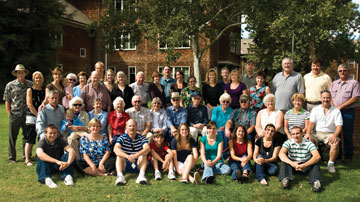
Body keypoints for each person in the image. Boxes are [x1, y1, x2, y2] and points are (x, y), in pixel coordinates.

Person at [305, 90, 343, 173]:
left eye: (328, 98)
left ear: (330, 98)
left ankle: (331, 164)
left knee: (335, 143)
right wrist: (308, 133)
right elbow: (311, 123)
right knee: (307, 140)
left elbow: (339, 126)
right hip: (317, 133)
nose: (326, 99)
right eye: (324, 98)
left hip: (330, 134)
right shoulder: (315, 109)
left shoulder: (336, 111)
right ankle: (310, 162)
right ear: (321, 98)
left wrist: (335, 135)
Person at [330, 63, 360, 163]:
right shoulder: (334, 83)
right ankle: (337, 155)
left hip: (347, 112)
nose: (342, 72)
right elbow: (330, 97)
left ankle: (348, 156)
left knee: (347, 134)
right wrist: (334, 108)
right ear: (338, 72)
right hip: (335, 112)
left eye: (344, 70)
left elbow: (355, 98)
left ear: (348, 72)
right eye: (340, 71)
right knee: (336, 134)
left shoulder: (354, 83)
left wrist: (340, 107)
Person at [4, 64, 33, 164]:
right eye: (19, 72)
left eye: (22, 72)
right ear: (16, 73)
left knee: (26, 136)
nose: (21, 74)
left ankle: (26, 155)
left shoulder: (30, 84)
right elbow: (7, 100)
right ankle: (11, 158)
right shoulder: (10, 85)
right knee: (12, 137)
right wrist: (9, 114)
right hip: (14, 114)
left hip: (27, 115)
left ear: (25, 73)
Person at [278, 126, 322, 192]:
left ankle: (316, 182)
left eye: (297, 133)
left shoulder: (308, 143)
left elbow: (317, 156)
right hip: (293, 164)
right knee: (284, 160)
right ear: (291, 135)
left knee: (315, 162)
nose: (295, 136)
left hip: (305, 165)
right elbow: (281, 154)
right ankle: (285, 179)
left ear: (302, 134)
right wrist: (292, 163)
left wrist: (303, 165)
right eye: (293, 134)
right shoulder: (288, 142)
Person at [114, 119, 150, 185]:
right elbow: (116, 149)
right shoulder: (122, 137)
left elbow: (147, 148)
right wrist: (127, 156)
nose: (132, 128)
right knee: (119, 155)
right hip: (125, 163)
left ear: (136, 127)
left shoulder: (142, 138)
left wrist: (136, 155)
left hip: (138, 163)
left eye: (133, 126)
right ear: (126, 128)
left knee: (144, 154)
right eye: (130, 126)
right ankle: (120, 176)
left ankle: (141, 176)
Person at [25, 71, 45, 166]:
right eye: (36, 78)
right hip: (32, 116)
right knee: (30, 138)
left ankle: (39, 156)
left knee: (40, 137)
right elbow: (29, 104)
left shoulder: (43, 90)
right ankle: (27, 159)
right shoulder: (30, 90)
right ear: (33, 79)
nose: (38, 79)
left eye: (40, 78)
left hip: (41, 116)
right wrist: (37, 115)